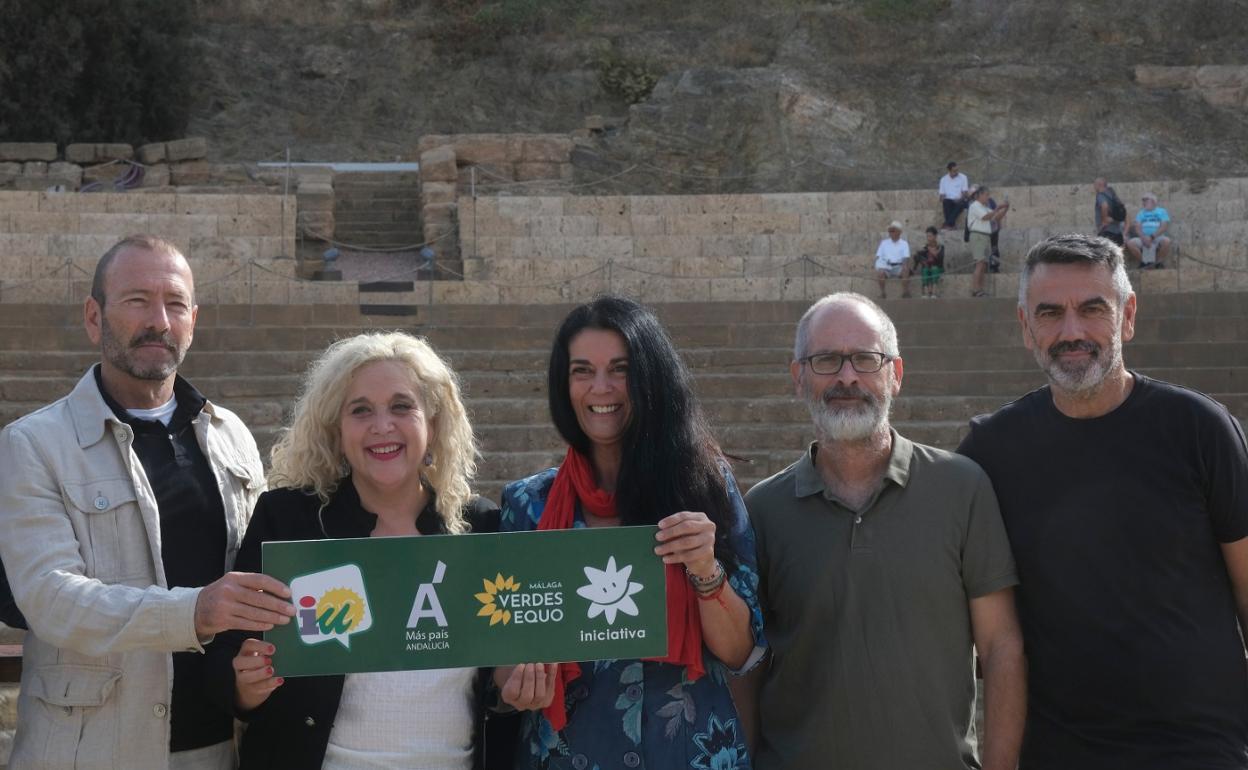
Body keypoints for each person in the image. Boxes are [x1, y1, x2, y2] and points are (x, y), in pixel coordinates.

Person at [0, 234, 292, 770]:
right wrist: (194, 611)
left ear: (193, 321)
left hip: (217, 750)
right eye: (137, 300)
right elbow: (50, 598)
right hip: (87, 754)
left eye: (175, 303)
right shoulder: (32, 444)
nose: (158, 319)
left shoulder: (233, 436)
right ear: (94, 317)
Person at [957, 234, 1248, 769]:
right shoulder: (989, 452)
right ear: (1025, 326)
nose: (1072, 332)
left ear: (1128, 315)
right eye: (1050, 313)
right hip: (1056, 755)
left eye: (1093, 309)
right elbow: (988, 637)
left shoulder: (1200, 430)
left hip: (1202, 752)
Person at [206, 332, 520, 769]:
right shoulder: (287, 521)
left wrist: (511, 687)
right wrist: (245, 684)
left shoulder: (481, 526)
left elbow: (496, 681)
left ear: (433, 421)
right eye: (361, 410)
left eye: (401, 406)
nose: (382, 426)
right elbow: (226, 656)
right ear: (336, 431)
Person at [745, 292, 1026, 770]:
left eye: (866, 359)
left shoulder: (962, 487)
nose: (847, 377)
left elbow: (1000, 646)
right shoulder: (762, 509)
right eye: (827, 360)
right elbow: (747, 664)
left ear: (895, 373)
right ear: (799, 377)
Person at [496, 295, 765, 770]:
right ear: (564, 384)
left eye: (620, 369)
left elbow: (740, 651)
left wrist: (705, 570)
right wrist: (514, 684)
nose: (601, 387)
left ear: (649, 377)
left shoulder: (705, 487)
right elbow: (504, 645)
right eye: (582, 370)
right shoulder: (526, 505)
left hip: (690, 753)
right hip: (569, 754)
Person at [968, 186, 1009, 297]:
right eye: (986, 195)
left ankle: (980, 289)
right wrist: (997, 208)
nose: (988, 197)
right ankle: (976, 290)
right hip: (978, 236)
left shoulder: (984, 207)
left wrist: (1005, 209)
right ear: (979, 195)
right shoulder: (975, 206)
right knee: (979, 263)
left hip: (985, 236)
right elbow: (986, 217)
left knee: (984, 264)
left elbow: (995, 217)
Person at [1125, 191, 1173, 268]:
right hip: (1143, 238)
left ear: (1153, 201)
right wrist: (1144, 238)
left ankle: (1157, 263)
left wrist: (1151, 237)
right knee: (1130, 243)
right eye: (1143, 200)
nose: (1143, 202)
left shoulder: (1161, 211)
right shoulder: (1141, 213)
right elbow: (1137, 228)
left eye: (1146, 200)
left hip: (1157, 237)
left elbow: (1164, 227)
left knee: (1167, 241)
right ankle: (1145, 262)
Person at [874, 221, 912, 299]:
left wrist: (905, 265)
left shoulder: (904, 243)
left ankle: (905, 292)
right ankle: (882, 293)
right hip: (886, 266)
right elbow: (878, 256)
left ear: (899, 232)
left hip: (899, 266)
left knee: (905, 270)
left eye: (893, 231)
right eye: (890, 231)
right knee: (880, 273)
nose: (891, 233)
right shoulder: (884, 243)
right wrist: (879, 265)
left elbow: (906, 257)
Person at [1093, 177, 1126, 246]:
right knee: (1118, 254)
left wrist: (1104, 220)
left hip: (1107, 232)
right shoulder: (1112, 195)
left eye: (1094, 184)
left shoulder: (1100, 195)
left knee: (1103, 255)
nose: (1094, 187)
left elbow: (1104, 206)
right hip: (1118, 232)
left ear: (1099, 185)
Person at [939, 161, 972, 230]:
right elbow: (942, 194)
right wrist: (942, 198)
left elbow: (965, 193)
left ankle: (947, 224)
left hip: (960, 199)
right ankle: (951, 225)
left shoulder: (963, 177)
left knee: (959, 204)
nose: (956, 172)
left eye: (957, 170)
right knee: (946, 202)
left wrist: (959, 199)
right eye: (954, 171)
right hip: (949, 200)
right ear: (949, 170)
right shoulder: (943, 179)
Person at [915, 225, 945, 298]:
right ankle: (926, 292)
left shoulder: (940, 247)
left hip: (938, 267)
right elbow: (917, 258)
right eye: (927, 236)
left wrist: (931, 251)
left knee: (934, 269)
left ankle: (934, 292)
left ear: (935, 236)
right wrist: (920, 256)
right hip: (928, 267)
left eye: (930, 236)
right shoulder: (925, 247)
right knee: (925, 270)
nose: (928, 238)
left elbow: (940, 259)